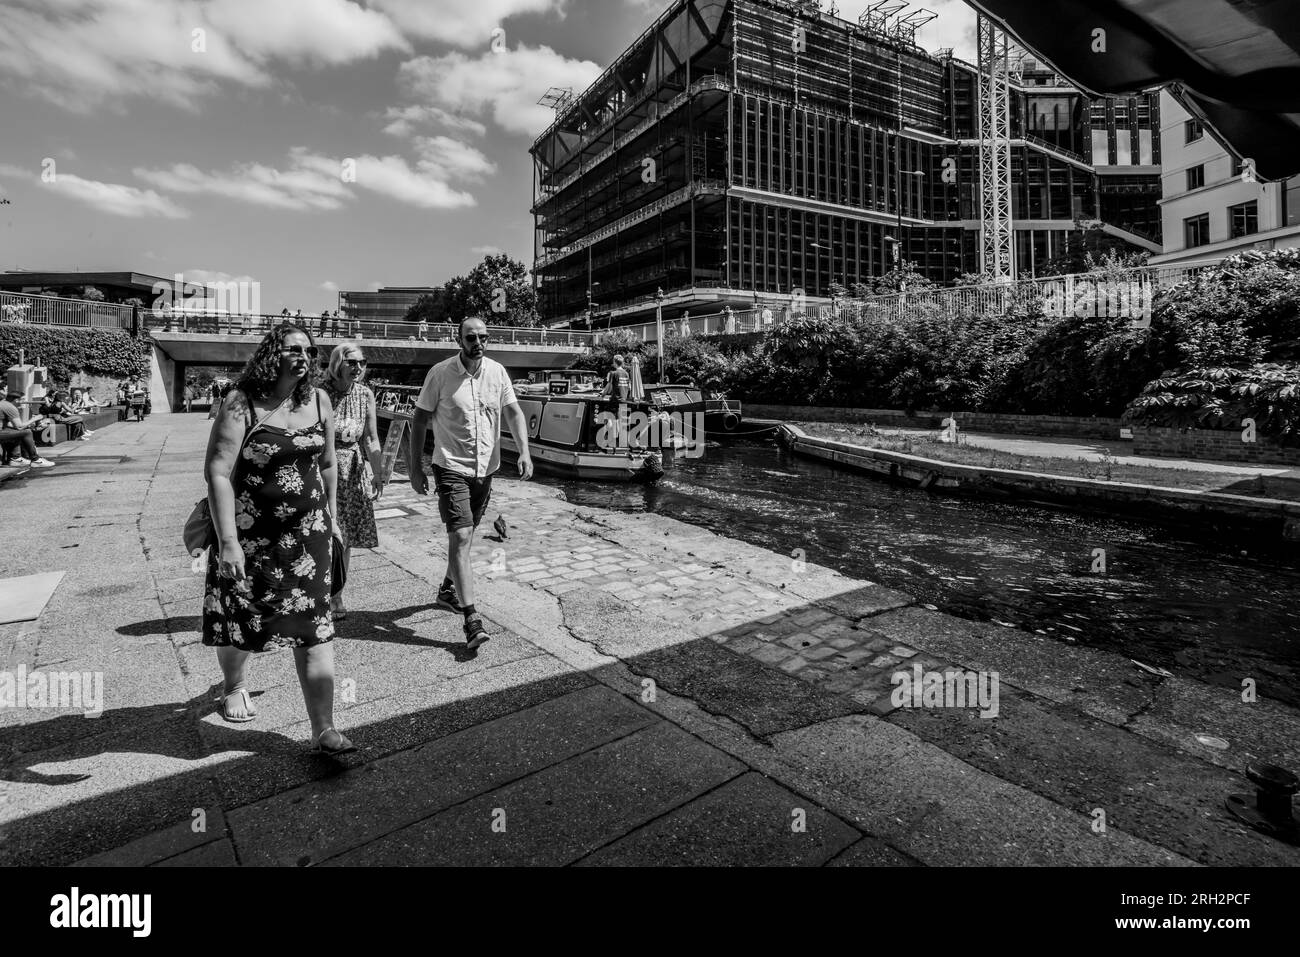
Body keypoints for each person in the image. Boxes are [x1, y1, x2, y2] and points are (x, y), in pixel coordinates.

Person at [202, 323, 352, 754]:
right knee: (244, 615)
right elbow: (217, 471)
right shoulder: (240, 402)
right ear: (272, 354)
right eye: (292, 349)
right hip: (252, 537)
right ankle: (234, 684)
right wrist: (229, 541)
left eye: (308, 349)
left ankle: (323, 728)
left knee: (314, 626)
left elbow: (327, 465)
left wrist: (333, 518)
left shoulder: (320, 400)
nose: (302, 356)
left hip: (309, 536)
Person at [408, 317, 533, 650]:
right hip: (450, 466)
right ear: (459, 339)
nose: (478, 342)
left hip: (486, 470)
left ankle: (448, 589)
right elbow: (419, 419)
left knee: (467, 535)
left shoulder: (497, 372)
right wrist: (415, 467)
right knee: (461, 535)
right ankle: (471, 620)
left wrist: (524, 451)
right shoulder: (440, 374)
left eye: (483, 337)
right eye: (471, 337)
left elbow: (514, 413)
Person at [322, 342, 383, 620]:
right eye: (351, 362)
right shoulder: (319, 393)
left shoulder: (365, 394)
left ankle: (336, 594)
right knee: (320, 534)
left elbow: (370, 438)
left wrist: (379, 472)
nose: (358, 367)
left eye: (361, 362)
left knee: (343, 538)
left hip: (352, 472)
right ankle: (314, 591)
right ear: (337, 364)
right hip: (322, 469)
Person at [0, 386, 56, 468]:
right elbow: (19, 427)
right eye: (23, 399)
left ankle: (15, 459)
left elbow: (10, 425)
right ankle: (35, 460)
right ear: (16, 400)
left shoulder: (3, 404)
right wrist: (34, 419)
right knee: (26, 432)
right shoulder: (10, 407)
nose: (24, 401)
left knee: (17, 432)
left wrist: (26, 424)